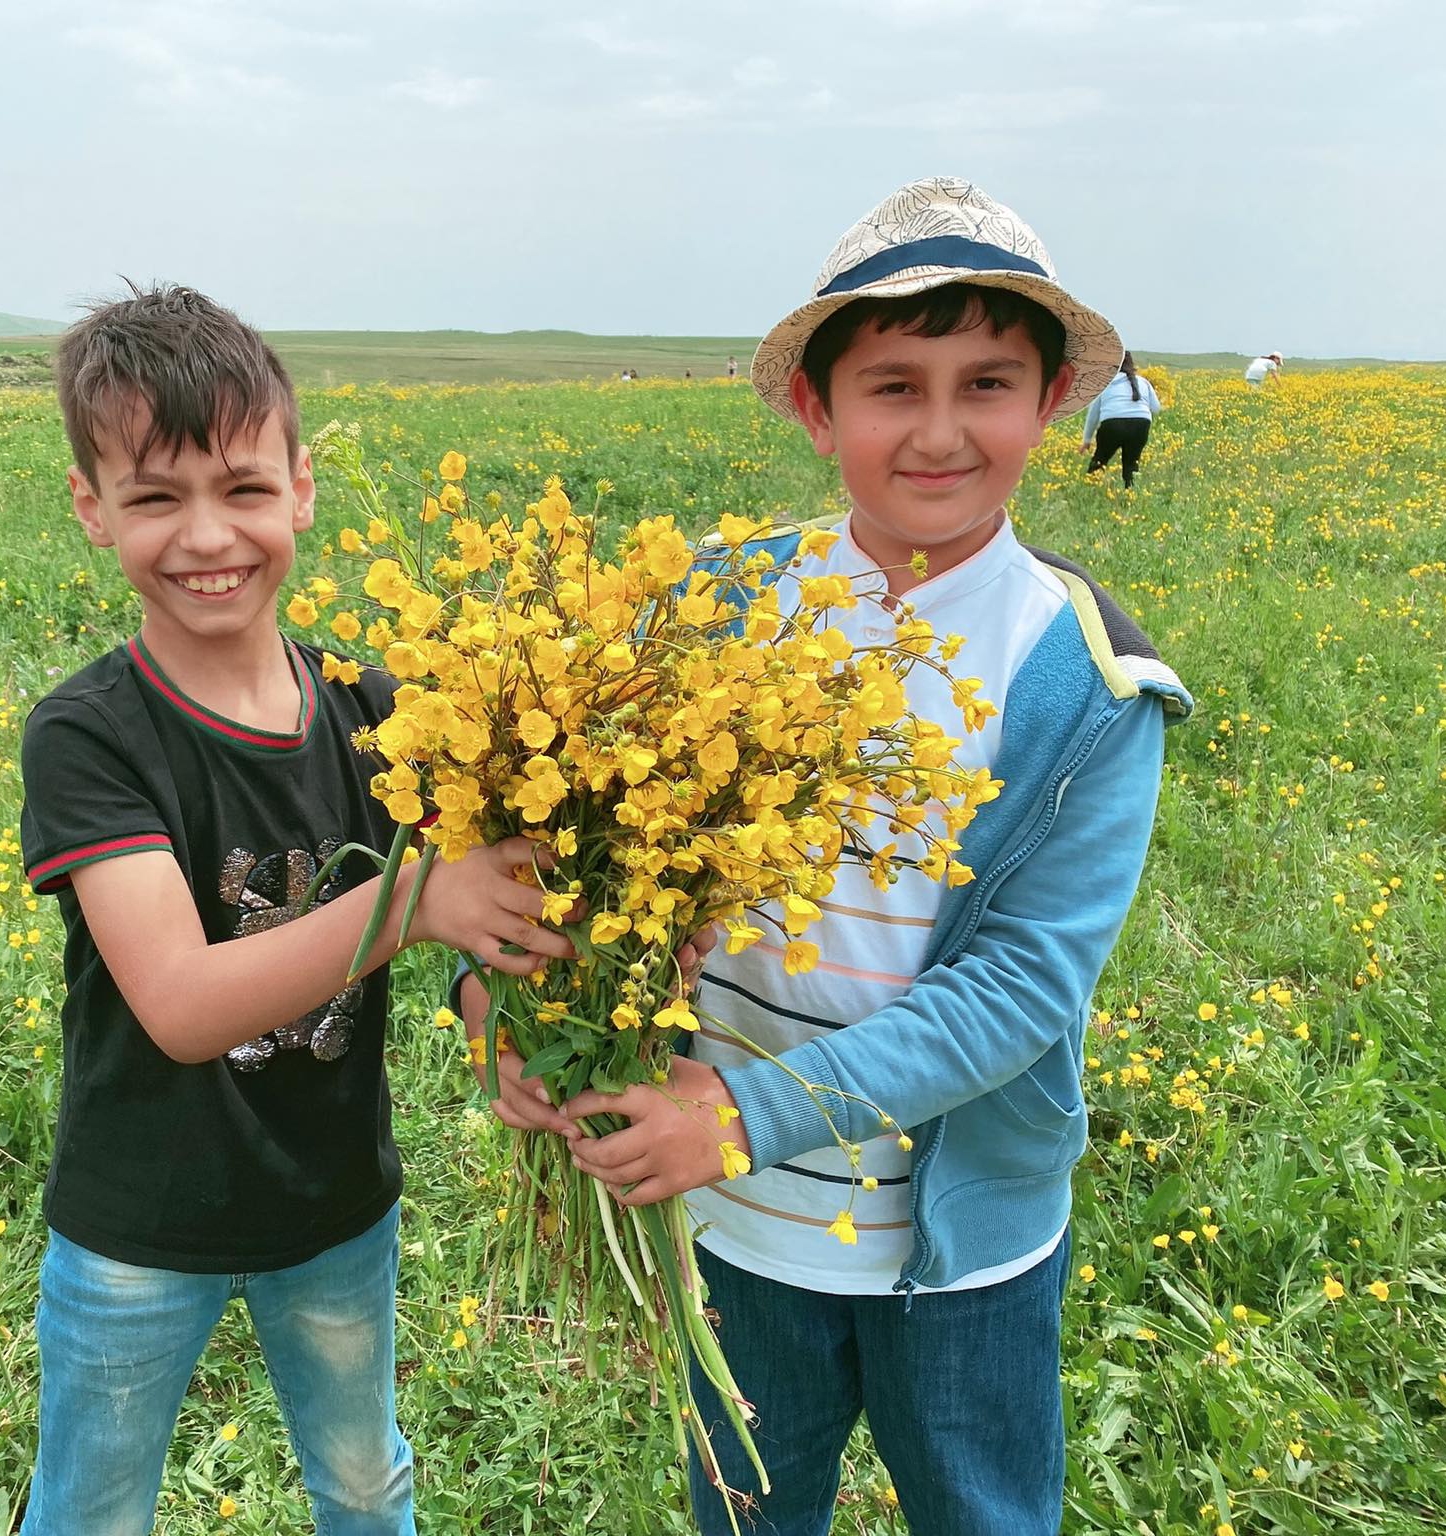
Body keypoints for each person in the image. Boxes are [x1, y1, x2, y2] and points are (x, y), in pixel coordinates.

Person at [481, 177, 1192, 1535]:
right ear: (818, 409)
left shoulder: (1089, 681)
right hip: (739, 1233)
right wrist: (513, 1012)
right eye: (891, 387)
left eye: (986, 383)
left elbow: (1021, 993)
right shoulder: (714, 603)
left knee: (982, 1512)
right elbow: (572, 853)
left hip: (964, 1250)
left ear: (1050, 405)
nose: (938, 431)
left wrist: (740, 1118)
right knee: (747, 1511)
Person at [16, 283, 574, 1536]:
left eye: (242, 489)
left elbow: (470, 930)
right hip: (136, 1227)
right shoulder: (89, 737)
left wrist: (501, 1018)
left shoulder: (379, 710)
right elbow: (178, 1004)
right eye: (156, 497)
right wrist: (419, 904)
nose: (206, 534)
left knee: (366, 1484)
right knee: (90, 1511)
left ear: (301, 490)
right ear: (91, 510)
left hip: (334, 1206)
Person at [1080, 351, 1163, 488]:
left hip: (1113, 425)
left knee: (1100, 460)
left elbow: (1093, 414)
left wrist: (1087, 440)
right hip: (1141, 424)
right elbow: (1156, 408)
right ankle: (1130, 496)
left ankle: (1090, 490)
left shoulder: (1105, 384)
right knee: (1131, 465)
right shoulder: (1143, 382)